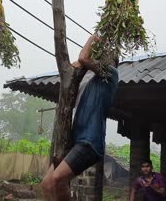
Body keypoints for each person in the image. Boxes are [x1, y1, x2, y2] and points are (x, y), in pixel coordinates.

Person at [40, 34, 119, 201]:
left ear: (113, 61)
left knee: (58, 179)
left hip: (90, 142)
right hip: (75, 140)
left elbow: (83, 58)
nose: (102, 53)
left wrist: (92, 38)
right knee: (47, 184)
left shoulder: (111, 75)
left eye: (107, 53)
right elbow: (77, 69)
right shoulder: (89, 79)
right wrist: (78, 68)